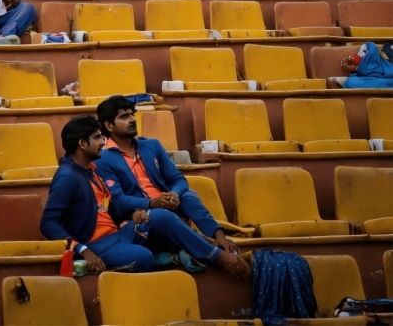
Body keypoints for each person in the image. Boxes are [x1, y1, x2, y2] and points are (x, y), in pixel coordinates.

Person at [40, 115, 250, 278]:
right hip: (96, 244)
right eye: (97, 138)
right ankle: (181, 253)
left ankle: (216, 256)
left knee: (161, 216)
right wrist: (84, 250)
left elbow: (105, 207)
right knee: (143, 257)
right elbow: (48, 223)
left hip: (118, 234)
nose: (103, 141)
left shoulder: (89, 168)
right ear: (82, 144)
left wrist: (132, 217)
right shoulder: (67, 176)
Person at [95, 96, 248, 277]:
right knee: (162, 215)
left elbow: (179, 179)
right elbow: (119, 201)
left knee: (187, 195)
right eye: (124, 117)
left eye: (132, 115)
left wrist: (174, 194)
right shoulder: (102, 158)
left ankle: (219, 237)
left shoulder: (151, 145)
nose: (132, 119)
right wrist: (153, 203)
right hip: (137, 218)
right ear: (109, 126)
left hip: (166, 207)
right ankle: (218, 256)